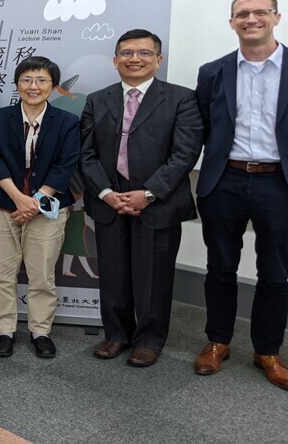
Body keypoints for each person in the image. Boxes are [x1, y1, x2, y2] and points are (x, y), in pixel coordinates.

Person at [193, 0, 288, 391]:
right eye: (242, 13)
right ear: (231, 22)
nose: (251, 19)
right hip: (225, 180)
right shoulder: (213, 72)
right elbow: (205, 124)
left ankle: (267, 351)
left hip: (282, 184)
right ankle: (218, 342)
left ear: (276, 17)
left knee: (275, 273)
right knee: (220, 267)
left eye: (260, 12)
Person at [80, 29, 202, 367]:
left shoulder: (182, 99)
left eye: (144, 53)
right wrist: (105, 193)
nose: (135, 59)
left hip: (157, 203)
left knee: (154, 277)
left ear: (158, 60)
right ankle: (117, 334)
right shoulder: (97, 99)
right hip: (110, 202)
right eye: (127, 52)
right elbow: (86, 155)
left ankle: (150, 339)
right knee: (114, 273)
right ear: (115, 60)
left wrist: (148, 193)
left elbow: (185, 153)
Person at [0, 56, 80, 359]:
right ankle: (4, 330)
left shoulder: (67, 122)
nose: (33, 86)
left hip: (47, 208)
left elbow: (65, 167)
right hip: (0, 205)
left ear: (53, 86)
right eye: (26, 80)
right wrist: (19, 199)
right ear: (16, 83)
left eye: (41, 80)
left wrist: (34, 203)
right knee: (1, 273)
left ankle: (40, 331)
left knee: (42, 275)